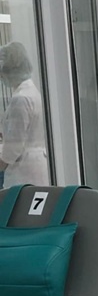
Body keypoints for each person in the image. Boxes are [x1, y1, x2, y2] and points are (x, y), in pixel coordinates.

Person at [0, 41, 48, 187]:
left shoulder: (20, 99)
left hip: (23, 171)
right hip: (37, 165)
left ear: (8, 70)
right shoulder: (33, 92)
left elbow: (13, 147)